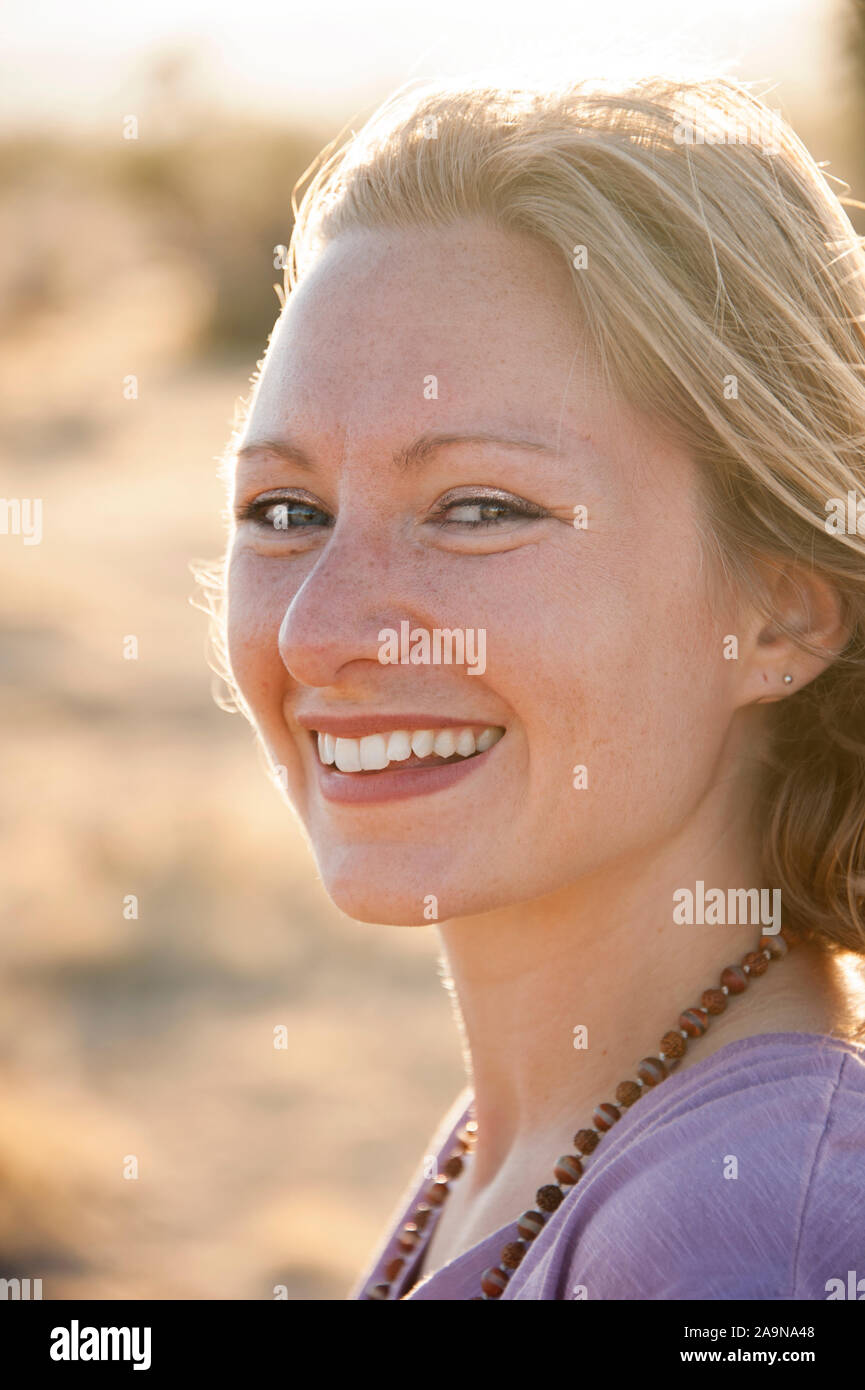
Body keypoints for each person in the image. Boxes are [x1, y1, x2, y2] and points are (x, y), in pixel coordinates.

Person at [213, 72, 865, 1299]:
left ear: (782, 607)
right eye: (285, 511)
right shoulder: (532, 1144)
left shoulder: (750, 1239)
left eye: (477, 509)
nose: (320, 634)